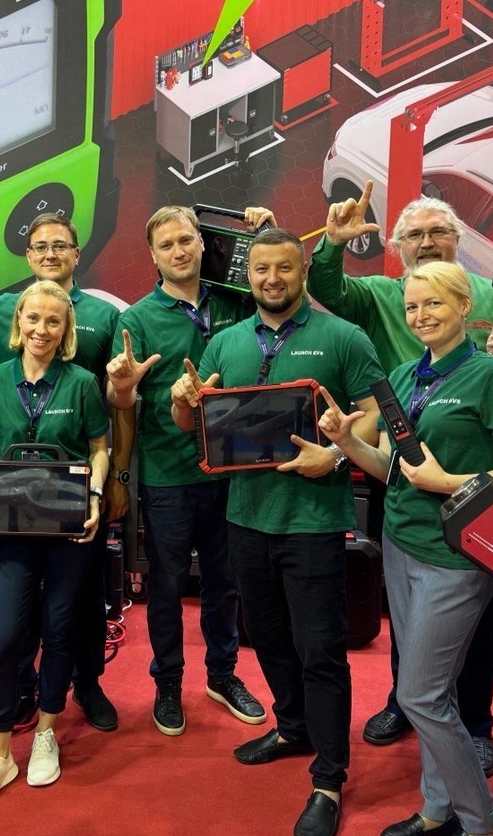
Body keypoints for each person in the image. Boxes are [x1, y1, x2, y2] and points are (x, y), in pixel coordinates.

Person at [310, 182, 493, 773]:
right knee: (408, 620)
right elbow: (327, 287)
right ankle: (408, 701)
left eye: (437, 232)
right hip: (404, 490)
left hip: (471, 503)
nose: (426, 242)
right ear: (397, 248)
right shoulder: (381, 296)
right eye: (414, 234)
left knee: (473, 626)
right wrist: (332, 244)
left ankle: (475, 724)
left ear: (456, 242)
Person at [174, 228, 383, 836]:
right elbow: (190, 418)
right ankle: (293, 727)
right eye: (262, 269)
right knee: (265, 637)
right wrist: (185, 400)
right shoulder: (226, 341)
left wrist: (337, 454)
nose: (272, 279)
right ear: (249, 274)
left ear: (301, 271)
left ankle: (329, 778)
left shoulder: (343, 337)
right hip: (244, 518)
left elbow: (378, 412)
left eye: (284, 268)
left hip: (313, 523)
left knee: (320, 650)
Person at [0, 213, 122, 731]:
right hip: (13, 505)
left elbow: (109, 419)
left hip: (73, 500)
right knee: (13, 621)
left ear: (77, 252)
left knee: (77, 609)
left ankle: (83, 688)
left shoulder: (104, 318)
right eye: (40, 245)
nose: (50, 253)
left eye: (61, 244)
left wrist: (105, 487)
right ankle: (19, 690)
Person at [105, 205, 275, 736]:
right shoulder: (137, 320)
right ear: (153, 257)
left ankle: (222, 675)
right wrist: (123, 386)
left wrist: (265, 233)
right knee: (167, 586)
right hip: (169, 475)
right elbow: (119, 397)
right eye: (167, 245)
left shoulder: (236, 301)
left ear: (203, 243)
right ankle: (168, 683)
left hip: (233, 470)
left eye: (186, 240)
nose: (178, 251)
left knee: (225, 583)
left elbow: (281, 280)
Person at [0, 281, 110, 814]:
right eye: (33, 318)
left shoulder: (83, 382)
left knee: (60, 630)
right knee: (2, 640)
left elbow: (98, 448)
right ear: (17, 322)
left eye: (53, 321)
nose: (41, 329)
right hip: (12, 526)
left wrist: (94, 496)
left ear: (66, 330)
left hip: (68, 527)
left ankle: (46, 731)